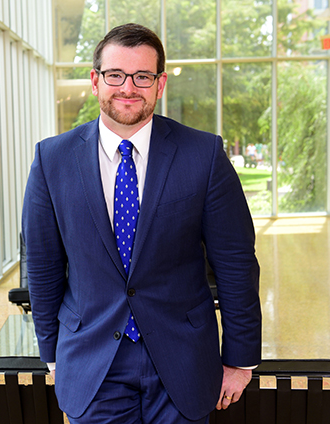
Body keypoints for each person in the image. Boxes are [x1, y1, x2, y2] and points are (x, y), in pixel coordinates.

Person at [21, 23, 261, 424]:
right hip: (93, 364)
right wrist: (52, 354)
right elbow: (43, 267)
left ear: (160, 84)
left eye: (142, 76)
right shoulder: (52, 161)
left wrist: (240, 359)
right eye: (115, 75)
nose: (128, 87)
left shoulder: (204, 155)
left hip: (183, 360)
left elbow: (236, 263)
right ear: (96, 80)